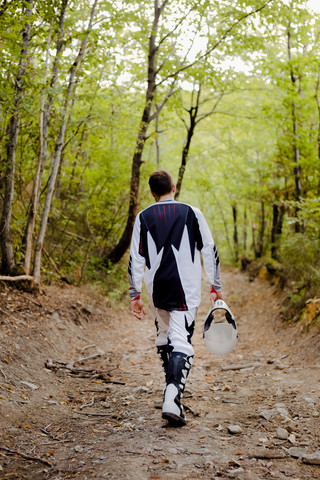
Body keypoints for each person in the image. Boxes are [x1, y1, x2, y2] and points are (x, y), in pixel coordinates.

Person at [128, 169, 223, 426]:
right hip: (185, 288)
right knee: (181, 339)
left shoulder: (143, 217)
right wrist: (216, 287)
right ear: (173, 185)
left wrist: (135, 294)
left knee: (165, 335)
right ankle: (172, 396)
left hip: (156, 288)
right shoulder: (191, 212)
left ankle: (173, 394)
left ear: (152, 192)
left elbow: (136, 258)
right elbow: (209, 249)